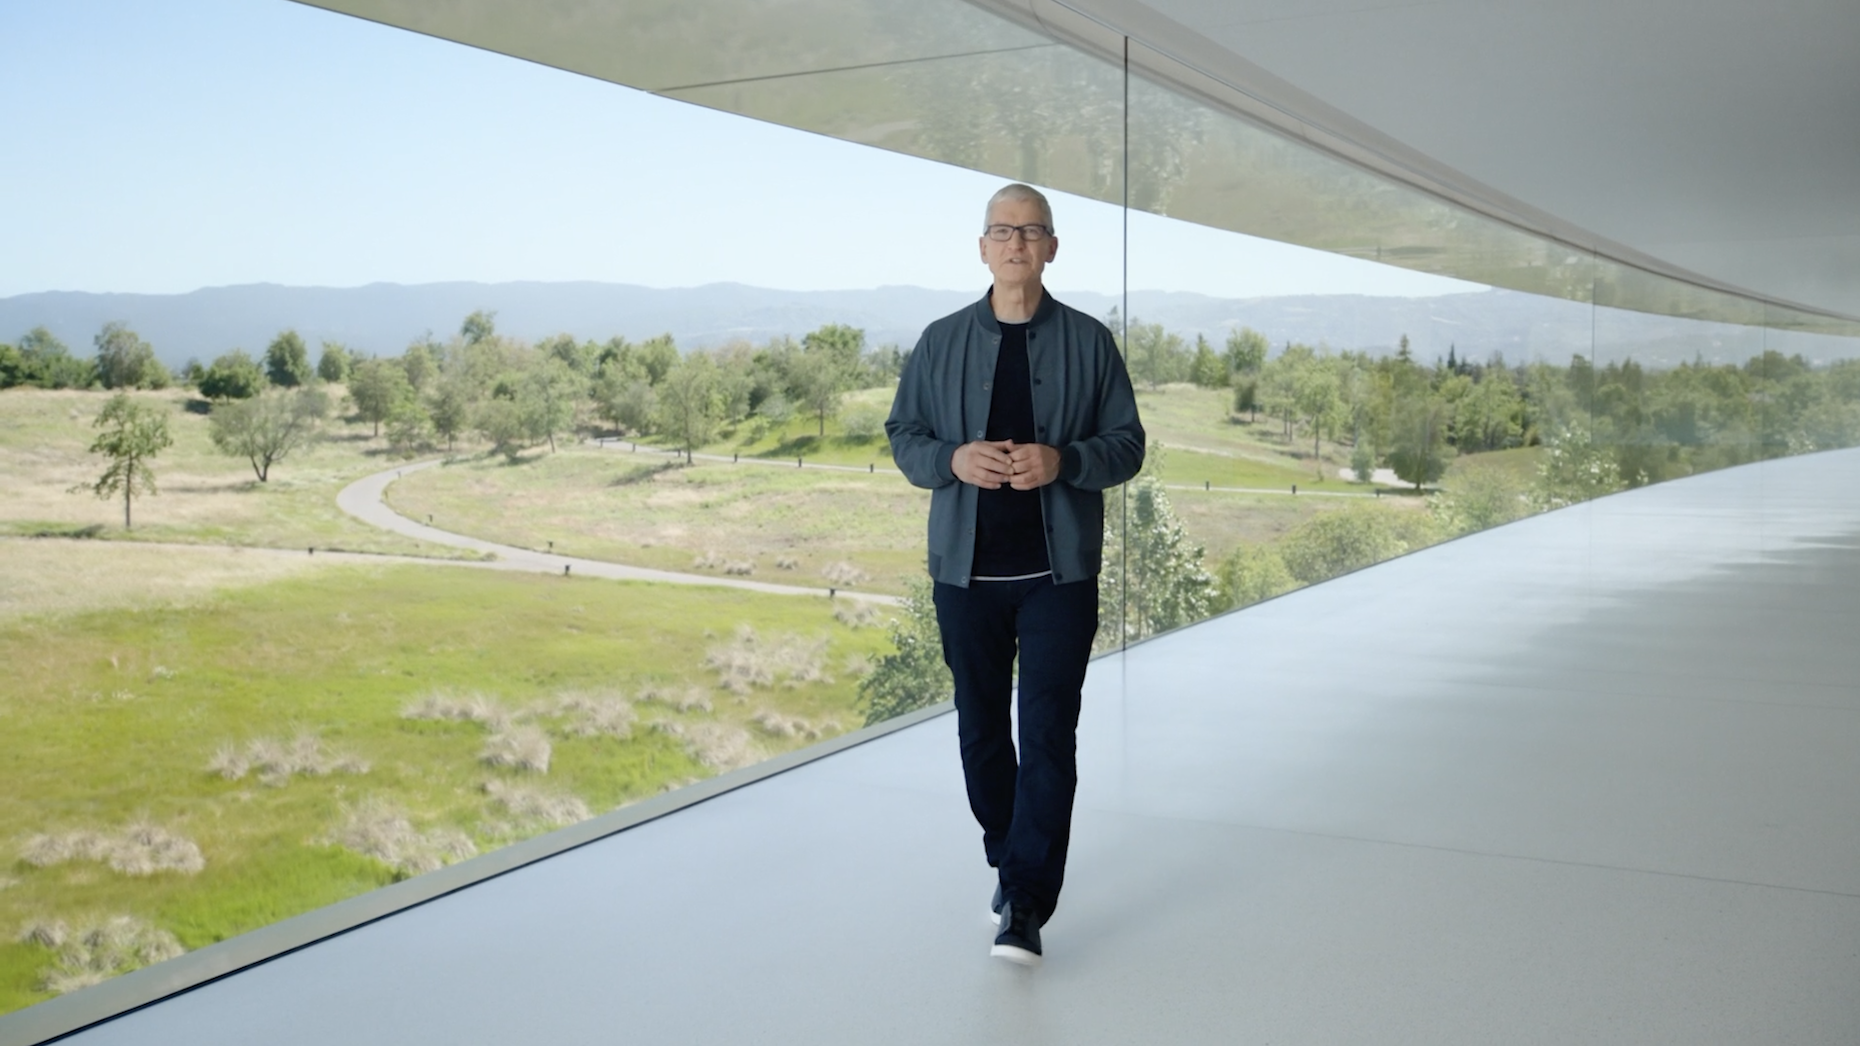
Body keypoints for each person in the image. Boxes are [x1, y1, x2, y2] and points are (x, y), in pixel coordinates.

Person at [885, 183, 1145, 966]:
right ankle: (1008, 853)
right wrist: (950, 459)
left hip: (1058, 577)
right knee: (981, 734)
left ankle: (1027, 902)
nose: (1016, 244)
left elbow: (1127, 444)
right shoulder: (938, 342)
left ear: (1052, 248)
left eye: (1031, 231)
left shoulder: (1091, 343)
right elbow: (903, 434)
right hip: (964, 579)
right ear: (983, 247)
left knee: (1047, 734)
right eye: (1003, 230)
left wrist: (1064, 462)